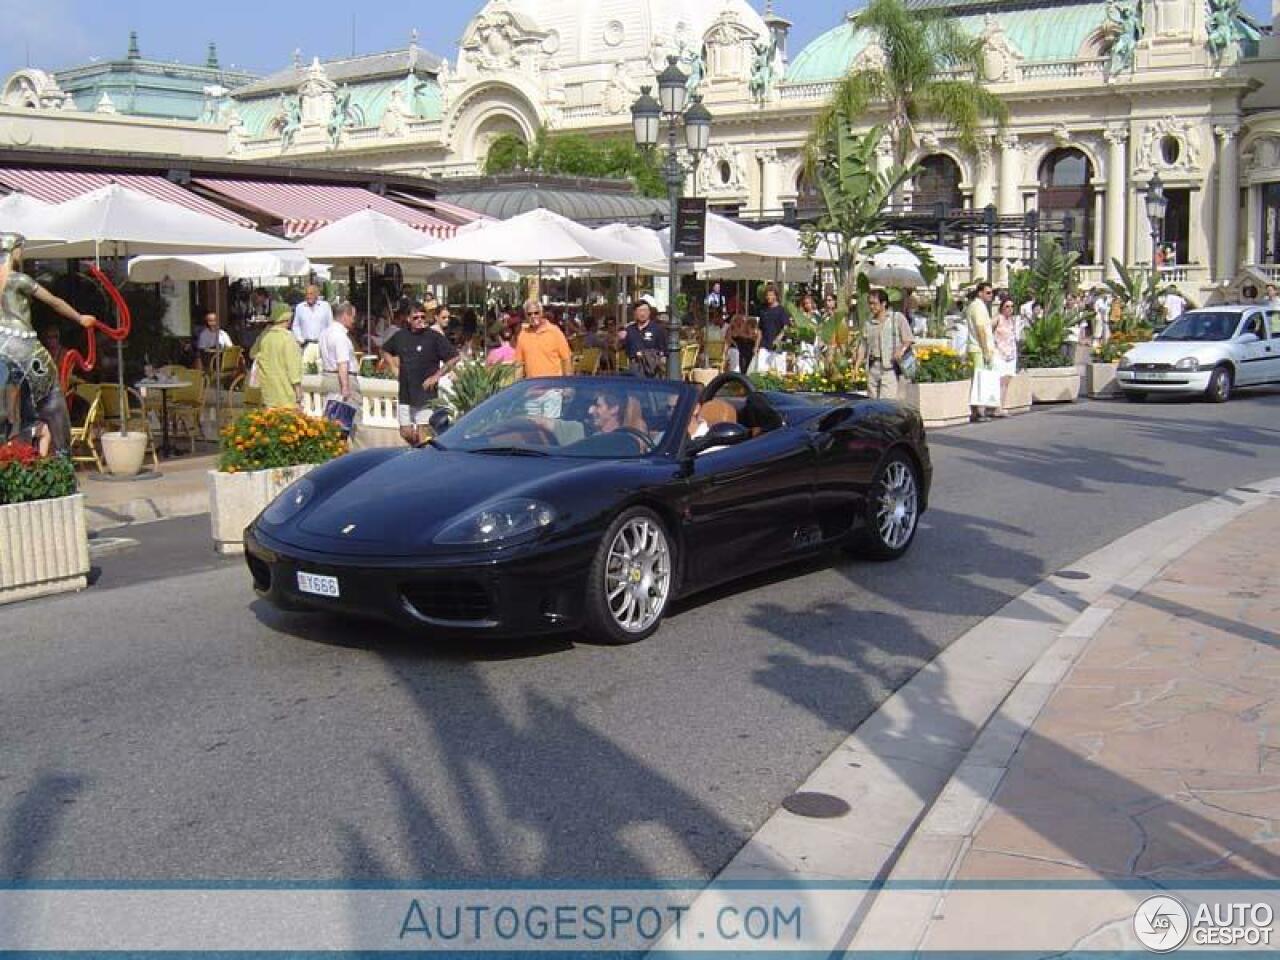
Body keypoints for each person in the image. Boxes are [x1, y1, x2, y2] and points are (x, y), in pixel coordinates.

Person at [0, 233, 97, 455]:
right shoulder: (19, 280)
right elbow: (55, 302)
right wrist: (80, 318)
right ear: (15, 251)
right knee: (53, 399)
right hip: (24, 347)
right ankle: (63, 457)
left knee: (12, 407)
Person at [381, 302, 460, 446]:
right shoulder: (400, 336)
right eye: (416, 317)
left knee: (423, 434)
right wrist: (393, 368)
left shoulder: (433, 337)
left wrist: (436, 376)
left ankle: (421, 456)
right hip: (406, 393)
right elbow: (385, 350)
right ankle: (418, 450)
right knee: (405, 432)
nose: (420, 320)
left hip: (426, 394)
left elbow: (454, 357)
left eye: (422, 317)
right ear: (408, 319)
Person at [856, 289, 914, 400]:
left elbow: (908, 339)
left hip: (890, 368)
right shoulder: (869, 323)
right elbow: (863, 345)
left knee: (886, 402)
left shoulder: (896, 318)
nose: (872, 307)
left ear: (884, 303)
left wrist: (901, 350)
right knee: (872, 403)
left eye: (874, 303)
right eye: (870, 304)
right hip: (873, 367)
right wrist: (857, 366)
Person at [250, 308, 302, 410]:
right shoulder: (287, 338)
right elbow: (293, 369)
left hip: (267, 392)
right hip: (285, 392)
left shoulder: (265, 336)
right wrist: (298, 392)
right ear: (288, 320)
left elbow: (252, 354)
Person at [319, 301, 360, 428]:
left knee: (331, 419)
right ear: (345, 316)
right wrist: (345, 387)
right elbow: (342, 363)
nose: (354, 321)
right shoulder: (340, 336)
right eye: (353, 317)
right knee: (348, 423)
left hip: (328, 377)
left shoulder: (324, 333)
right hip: (341, 380)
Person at [514, 300, 573, 379]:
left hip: (553, 385)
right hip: (532, 386)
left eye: (536, 313)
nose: (533, 316)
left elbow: (566, 359)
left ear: (541, 313)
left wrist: (567, 384)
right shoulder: (523, 335)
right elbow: (519, 365)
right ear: (525, 316)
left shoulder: (554, 332)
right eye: (529, 314)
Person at [966, 281, 997, 422]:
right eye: (988, 292)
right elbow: (980, 329)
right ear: (980, 293)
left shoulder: (979, 306)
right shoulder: (977, 306)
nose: (991, 295)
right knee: (980, 379)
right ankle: (978, 412)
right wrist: (985, 350)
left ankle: (981, 410)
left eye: (992, 292)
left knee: (982, 379)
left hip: (980, 348)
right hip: (978, 348)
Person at [621, 300, 668, 378]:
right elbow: (619, 348)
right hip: (634, 368)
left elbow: (664, 352)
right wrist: (620, 338)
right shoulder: (630, 329)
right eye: (640, 310)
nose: (643, 313)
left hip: (652, 369)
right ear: (635, 313)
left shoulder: (657, 329)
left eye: (645, 310)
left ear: (649, 312)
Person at [992, 297, 1019, 417]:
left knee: (1007, 382)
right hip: (999, 353)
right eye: (1007, 306)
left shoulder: (1012, 320)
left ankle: (1001, 406)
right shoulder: (998, 319)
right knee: (1000, 380)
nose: (1010, 309)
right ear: (1002, 307)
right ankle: (997, 407)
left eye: (1012, 306)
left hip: (1011, 353)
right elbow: (988, 330)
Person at [756, 285, 791, 374]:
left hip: (778, 347)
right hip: (764, 344)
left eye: (771, 295)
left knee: (778, 372)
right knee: (761, 371)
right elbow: (760, 329)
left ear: (776, 296)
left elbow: (786, 327)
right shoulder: (763, 310)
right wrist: (756, 345)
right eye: (767, 295)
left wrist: (778, 338)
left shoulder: (781, 310)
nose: (768, 297)